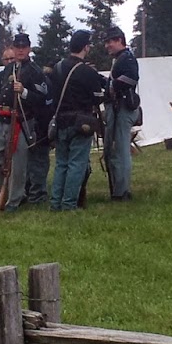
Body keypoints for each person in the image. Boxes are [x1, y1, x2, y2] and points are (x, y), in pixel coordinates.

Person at [0, 34, 49, 211]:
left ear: (29, 49)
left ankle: (14, 201)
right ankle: (10, 190)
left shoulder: (35, 72)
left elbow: (43, 98)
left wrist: (24, 92)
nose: (20, 50)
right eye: (17, 47)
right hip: (2, 119)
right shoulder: (8, 71)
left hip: (22, 122)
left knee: (18, 165)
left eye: (24, 46)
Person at [49, 30, 107, 211]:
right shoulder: (87, 71)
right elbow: (98, 98)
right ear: (86, 47)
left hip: (60, 121)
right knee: (77, 164)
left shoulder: (57, 68)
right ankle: (69, 204)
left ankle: (55, 203)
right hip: (80, 122)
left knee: (61, 164)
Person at [103, 26, 140, 201]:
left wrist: (110, 86)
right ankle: (119, 188)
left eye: (110, 41)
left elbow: (131, 78)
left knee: (122, 149)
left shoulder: (127, 58)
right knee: (117, 149)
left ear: (119, 40)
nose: (107, 45)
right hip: (118, 106)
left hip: (123, 107)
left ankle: (122, 190)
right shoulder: (121, 58)